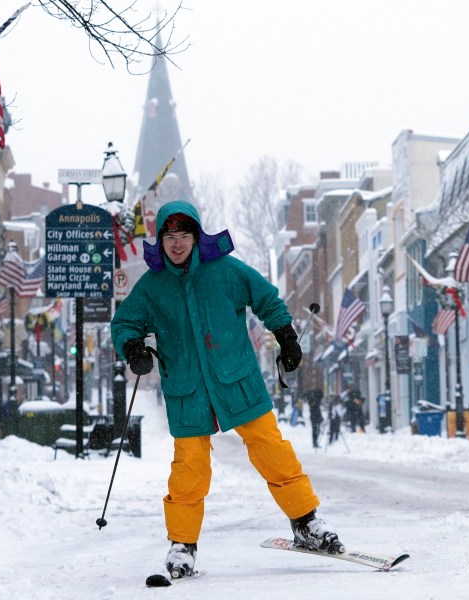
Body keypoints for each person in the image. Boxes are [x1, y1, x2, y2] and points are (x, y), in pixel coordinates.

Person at [111, 201, 345, 580]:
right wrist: (133, 347)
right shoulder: (152, 287)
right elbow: (124, 322)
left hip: (237, 379)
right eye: (170, 237)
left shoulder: (225, 271)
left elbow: (266, 297)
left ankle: (305, 522)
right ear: (162, 240)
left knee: (271, 448)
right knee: (189, 465)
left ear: (196, 237)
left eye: (184, 235)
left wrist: (285, 335)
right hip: (186, 389)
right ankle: (182, 544)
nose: (177, 244)